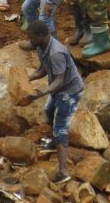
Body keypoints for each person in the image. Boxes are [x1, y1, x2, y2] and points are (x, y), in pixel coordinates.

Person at [21, 20, 83, 185]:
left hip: (69, 91)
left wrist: (41, 93)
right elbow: (43, 70)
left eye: (31, 37)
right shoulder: (41, 46)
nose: (29, 40)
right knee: (48, 112)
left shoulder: (55, 52)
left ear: (41, 35)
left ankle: (63, 172)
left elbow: (60, 80)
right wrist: (28, 79)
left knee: (60, 128)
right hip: (57, 88)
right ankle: (54, 142)